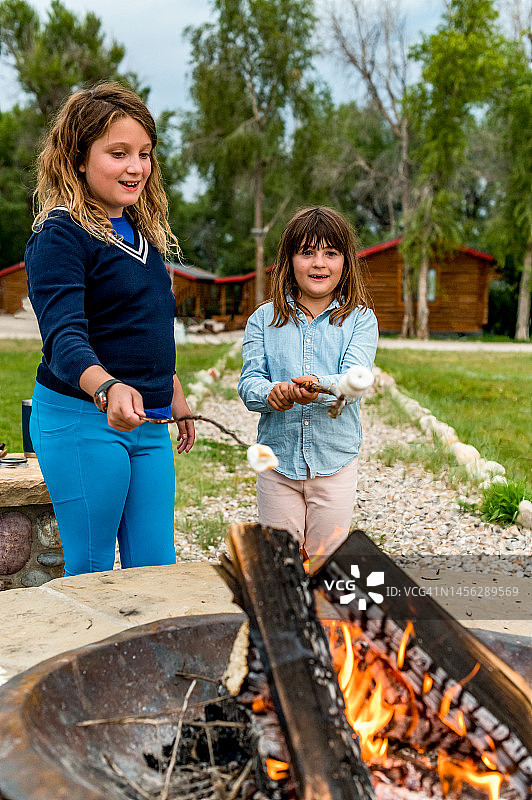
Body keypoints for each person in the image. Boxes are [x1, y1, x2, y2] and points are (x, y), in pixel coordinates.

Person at [25, 82, 195, 577]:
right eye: (118, 153)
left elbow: (141, 325)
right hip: (83, 418)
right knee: (93, 572)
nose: (135, 167)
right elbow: (64, 337)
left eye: (144, 154)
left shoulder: (142, 235)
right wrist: (108, 386)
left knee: (155, 568)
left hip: (147, 421)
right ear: (79, 158)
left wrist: (172, 386)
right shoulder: (59, 235)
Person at [238, 206, 378, 557]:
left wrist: (316, 386)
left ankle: (321, 612)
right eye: (307, 252)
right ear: (289, 260)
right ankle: (284, 613)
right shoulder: (263, 319)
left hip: (335, 463)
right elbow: (249, 381)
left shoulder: (360, 319)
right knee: (280, 559)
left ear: (345, 262)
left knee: (325, 559)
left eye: (331, 253)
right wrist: (273, 393)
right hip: (277, 464)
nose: (319, 263)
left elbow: (353, 382)